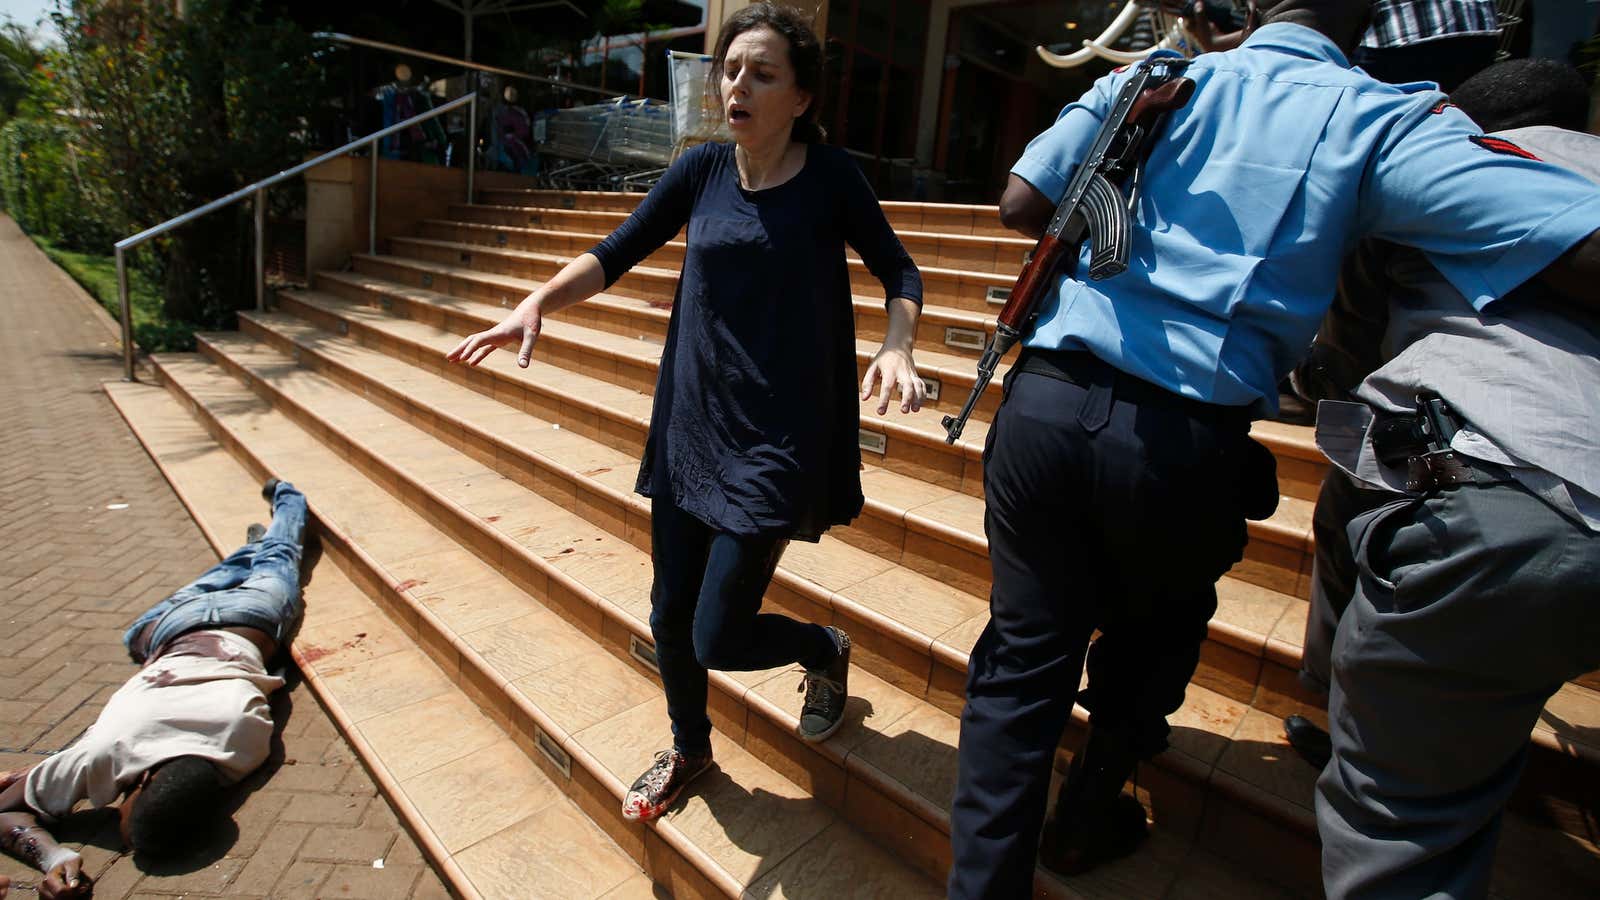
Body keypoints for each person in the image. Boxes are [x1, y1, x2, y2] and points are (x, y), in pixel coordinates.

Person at [947, 0, 1600, 895]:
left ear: (1254, 7)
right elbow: (1576, 235)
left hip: (1046, 408)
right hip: (1180, 441)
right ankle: (1089, 812)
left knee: (1023, 658)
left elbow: (1022, 200)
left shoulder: (1153, 75)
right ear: (1366, 16)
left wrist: (1135, 244)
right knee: (1159, 629)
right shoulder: (1377, 115)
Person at [445, 3, 924, 825]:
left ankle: (821, 648)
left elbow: (900, 271)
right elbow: (616, 250)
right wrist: (536, 304)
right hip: (693, 424)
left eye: (762, 72)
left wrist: (898, 344)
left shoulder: (831, 178)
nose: (738, 84)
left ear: (801, 97)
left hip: (779, 437)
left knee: (717, 635)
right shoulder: (701, 170)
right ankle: (690, 745)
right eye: (731, 69)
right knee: (671, 614)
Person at [1284, 55, 1598, 771]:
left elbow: (1348, 351)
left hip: (1492, 492)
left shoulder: (1452, 170)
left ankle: (1347, 708)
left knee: (1346, 503)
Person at [0, 479, 307, 900]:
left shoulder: (244, 748)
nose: (115, 820)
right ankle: (258, 540)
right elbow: (6, 810)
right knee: (263, 565)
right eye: (120, 816)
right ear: (142, 781)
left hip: (247, 623)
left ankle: (278, 514)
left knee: (280, 560)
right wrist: (51, 856)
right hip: (162, 630)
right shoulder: (106, 753)